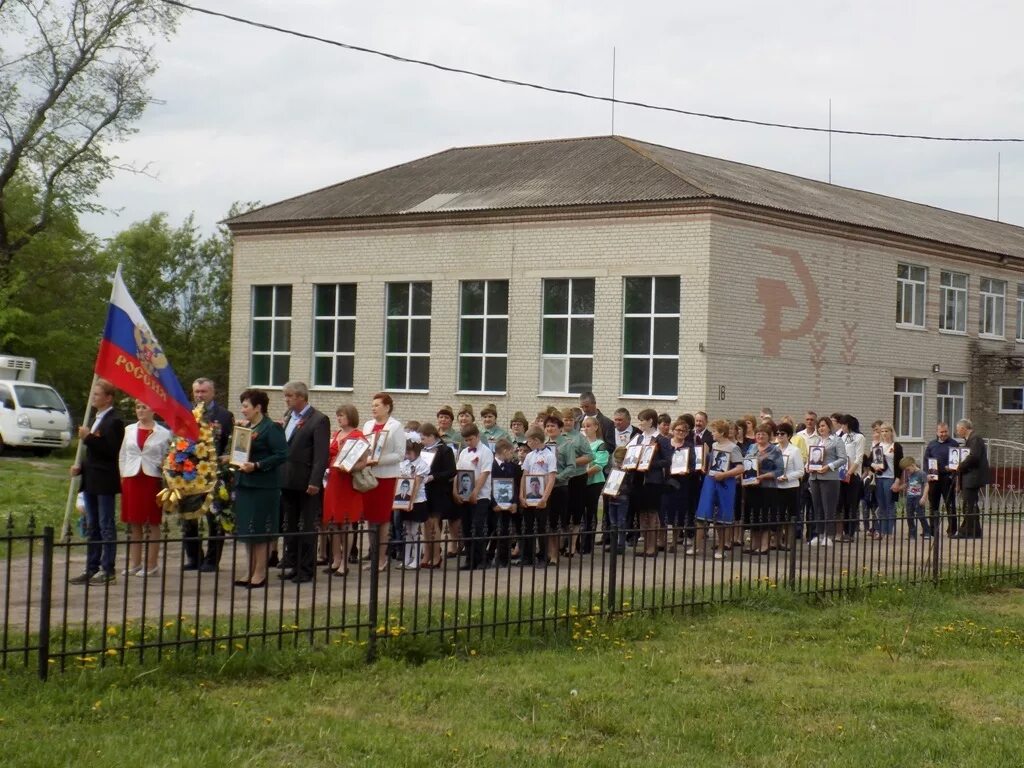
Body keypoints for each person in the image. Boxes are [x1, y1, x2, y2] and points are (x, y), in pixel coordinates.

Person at [69, 379, 125, 585]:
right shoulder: (96, 418)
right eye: (93, 394)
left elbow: (110, 450)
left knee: (106, 525)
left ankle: (108, 568)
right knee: (92, 525)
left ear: (108, 398)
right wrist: (80, 467)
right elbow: (93, 453)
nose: (93, 397)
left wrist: (89, 437)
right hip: (91, 479)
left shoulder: (114, 421)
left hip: (104, 480)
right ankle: (91, 567)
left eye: (97, 394)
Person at [233, 389, 289, 589]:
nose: (243, 410)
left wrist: (257, 465)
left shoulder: (271, 427)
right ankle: (249, 569)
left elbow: (282, 454)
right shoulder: (246, 427)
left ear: (258, 408)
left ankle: (260, 572)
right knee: (248, 530)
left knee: (261, 529)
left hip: (263, 485)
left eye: (246, 406)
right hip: (245, 484)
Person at [277, 381, 330, 585]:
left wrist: (315, 480)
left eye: (289, 396)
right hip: (288, 479)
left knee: (306, 525)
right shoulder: (289, 416)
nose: (286, 399)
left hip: (307, 480)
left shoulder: (318, 420)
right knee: (290, 524)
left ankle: (306, 569)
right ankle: (293, 563)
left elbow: (321, 454)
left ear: (300, 397)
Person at [183, 377, 235, 572]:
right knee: (189, 517)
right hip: (189, 474)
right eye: (196, 391)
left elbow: (230, 442)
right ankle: (194, 557)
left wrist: (225, 461)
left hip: (214, 474)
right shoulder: (187, 413)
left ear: (213, 392)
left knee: (214, 517)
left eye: (204, 391)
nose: (200, 395)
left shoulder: (224, 415)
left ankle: (212, 560)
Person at [117, 401, 170, 577]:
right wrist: (123, 475)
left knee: (152, 522)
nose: (140, 411)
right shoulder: (129, 430)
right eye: (138, 407)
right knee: (134, 522)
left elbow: (169, 456)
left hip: (152, 479)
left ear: (153, 409)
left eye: (144, 407)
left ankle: (152, 564)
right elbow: (123, 455)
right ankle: (135, 563)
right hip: (132, 478)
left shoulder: (163, 433)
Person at [362, 393, 406, 570]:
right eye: (372, 405)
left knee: (382, 518)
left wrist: (378, 460)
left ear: (387, 407)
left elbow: (399, 454)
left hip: (386, 476)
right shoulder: (367, 425)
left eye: (377, 405)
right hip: (369, 475)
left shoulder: (395, 426)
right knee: (370, 518)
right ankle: (373, 556)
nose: (373, 408)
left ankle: (382, 558)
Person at [322, 404, 364, 577]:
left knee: (345, 523)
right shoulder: (336, 434)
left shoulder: (358, 435)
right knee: (332, 522)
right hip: (333, 480)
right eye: (337, 415)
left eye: (342, 415)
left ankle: (345, 562)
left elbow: (364, 461)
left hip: (347, 481)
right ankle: (336, 558)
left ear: (350, 416)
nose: (339, 418)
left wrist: (350, 466)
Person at [692, 419, 743, 559]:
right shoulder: (714, 445)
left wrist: (725, 474)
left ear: (722, 432)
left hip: (726, 484)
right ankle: (696, 546)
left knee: (723, 518)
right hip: (711, 481)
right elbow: (712, 462)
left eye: (714, 431)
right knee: (703, 514)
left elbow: (740, 467)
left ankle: (721, 548)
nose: (712, 434)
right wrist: (704, 466)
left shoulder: (733, 448)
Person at [454, 423, 493, 570]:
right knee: (467, 527)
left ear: (477, 436)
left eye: (471, 439)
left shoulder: (486, 452)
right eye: (466, 440)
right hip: (464, 495)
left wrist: (475, 491)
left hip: (481, 496)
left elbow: (484, 473)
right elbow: (458, 473)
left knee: (478, 527)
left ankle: (482, 559)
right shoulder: (464, 452)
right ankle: (469, 560)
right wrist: (455, 491)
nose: (468, 442)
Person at [743, 423, 784, 555]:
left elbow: (780, 470)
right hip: (751, 486)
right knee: (753, 515)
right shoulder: (752, 447)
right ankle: (754, 544)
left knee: (765, 515)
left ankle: (764, 545)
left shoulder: (775, 450)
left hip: (767, 487)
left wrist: (764, 476)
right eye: (758, 434)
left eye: (763, 434)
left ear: (769, 436)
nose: (760, 436)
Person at [419, 422, 456, 569]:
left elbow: (451, 471)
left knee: (434, 523)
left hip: (439, 491)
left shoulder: (445, 450)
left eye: (424, 438)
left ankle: (436, 556)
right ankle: (427, 553)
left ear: (432, 436)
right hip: (425, 490)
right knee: (426, 524)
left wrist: (434, 477)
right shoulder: (423, 450)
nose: (422, 441)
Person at [807, 416, 849, 546]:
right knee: (817, 507)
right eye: (819, 426)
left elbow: (843, 459)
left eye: (823, 426)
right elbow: (811, 458)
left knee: (828, 508)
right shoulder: (816, 441)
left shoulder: (836, 441)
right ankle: (818, 534)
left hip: (829, 478)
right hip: (815, 477)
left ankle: (828, 535)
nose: (821, 428)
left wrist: (829, 467)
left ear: (829, 427)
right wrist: (807, 467)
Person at [519, 427, 555, 566]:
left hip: (542, 495)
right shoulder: (530, 455)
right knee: (527, 525)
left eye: (529, 441)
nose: (527, 443)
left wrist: (544, 498)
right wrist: (521, 495)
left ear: (535, 440)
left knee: (541, 526)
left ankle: (542, 556)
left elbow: (551, 478)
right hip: (529, 494)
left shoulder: (549, 455)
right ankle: (527, 556)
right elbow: (524, 475)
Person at [398, 437, 430, 569]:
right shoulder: (404, 464)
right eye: (406, 452)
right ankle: (406, 559)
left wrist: (411, 502)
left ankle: (416, 559)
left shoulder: (422, 465)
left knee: (415, 531)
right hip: (404, 500)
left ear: (416, 451)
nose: (407, 455)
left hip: (417, 501)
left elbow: (416, 485)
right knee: (407, 531)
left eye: (409, 452)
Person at [954, 418, 989, 539]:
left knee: (969, 504)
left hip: (973, 477)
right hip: (969, 476)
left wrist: (959, 465)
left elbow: (973, 457)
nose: (957, 432)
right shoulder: (970, 439)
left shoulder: (975, 438)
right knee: (970, 504)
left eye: (958, 430)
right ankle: (974, 530)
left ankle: (968, 531)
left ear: (964, 428)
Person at [924, 422, 960, 537]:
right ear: (937, 432)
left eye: (945, 431)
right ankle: (934, 530)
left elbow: (958, 461)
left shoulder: (954, 444)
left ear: (948, 431)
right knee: (933, 505)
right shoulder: (931, 445)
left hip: (948, 478)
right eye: (941, 432)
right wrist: (927, 474)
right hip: (934, 479)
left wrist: (953, 471)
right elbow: (926, 461)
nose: (943, 434)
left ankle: (952, 531)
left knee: (950, 504)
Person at [490, 438, 522, 565]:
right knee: (492, 530)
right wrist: (494, 504)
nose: (512, 455)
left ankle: (503, 559)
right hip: (494, 505)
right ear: (505, 451)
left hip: (509, 504)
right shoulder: (490, 466)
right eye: (511, 452)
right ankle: (487, 556)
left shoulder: (513, 467)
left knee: (505, 530)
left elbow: (516, 486)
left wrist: (515, 502)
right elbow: (488, 486)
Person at [581, 415, 610, 555]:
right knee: (581, 512)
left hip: (594, 481)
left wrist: (583, 474)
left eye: (588, 425)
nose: (586, 428)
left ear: (595, 427)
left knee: (591, 511)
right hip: (580, 482)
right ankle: (579, 541)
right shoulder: (581, 443)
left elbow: (599, 464)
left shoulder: (600, 444)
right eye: (584, 426)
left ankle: (588, 543)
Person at [774, 422, 805, 550]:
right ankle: (777, 541)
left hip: (790, 487)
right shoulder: (774, 449)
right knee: (778, 515)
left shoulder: (795, 450)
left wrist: (788, 477)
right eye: (777, 434)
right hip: (777, 486)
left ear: (789, 435)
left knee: (791, 516)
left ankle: (789, 542)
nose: (779, 436)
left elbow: (800, 471)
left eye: (782, 434)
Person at [871, 423, 903, 539]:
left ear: (891, 432)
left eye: (886, 431)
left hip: (890, 478)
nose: (884, 433)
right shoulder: (878, 446)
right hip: (879, 478)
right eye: (882, 431)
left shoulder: (896, 446)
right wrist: (874, 466)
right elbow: (870, 462)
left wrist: (897, 481)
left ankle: (889, 532)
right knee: (881, 506)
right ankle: (882, 532)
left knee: (890, 506)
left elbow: (900, 465)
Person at [836, 414, 866, 542]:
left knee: (851, 504)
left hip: (853, 475)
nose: (841, 427)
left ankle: (851, 532)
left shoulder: (859, 437)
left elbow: (859, 457)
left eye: (843, 424)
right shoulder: (842, 437)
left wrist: (849, 472)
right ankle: (842, 531)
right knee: (841, 504)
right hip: (841, 474)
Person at [899, 456, 931, 539]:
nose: (907, 471)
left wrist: (924, 497)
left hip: (918, 497)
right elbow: (908, 484)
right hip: (910, 497)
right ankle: (912, 534)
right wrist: (900, 488)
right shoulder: (909, 474)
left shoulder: (921, 473)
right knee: (909, 516)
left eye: (908, 469)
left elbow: (926, 485)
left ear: (913, 465)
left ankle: (927, 532)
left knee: (921, 515)